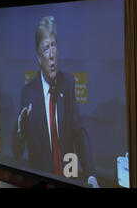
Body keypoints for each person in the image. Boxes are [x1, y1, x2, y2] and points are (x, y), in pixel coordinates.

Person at [12, 16, 98, 187]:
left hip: (68, 176)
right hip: (42, 180)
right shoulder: (28, 93)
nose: (51, 55)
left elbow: (78, 132)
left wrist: (90, 175)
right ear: (38, 57)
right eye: (46, 49)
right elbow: (16, 152)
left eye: (54, 46)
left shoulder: (68, 82)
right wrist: (20, 128)